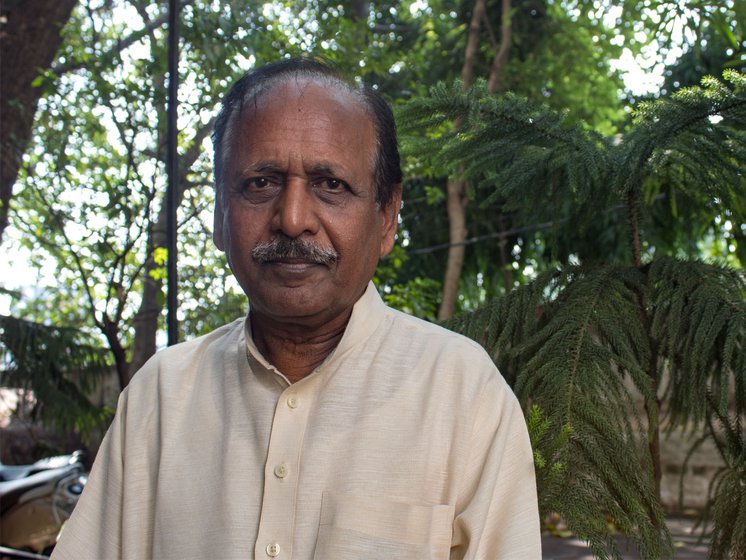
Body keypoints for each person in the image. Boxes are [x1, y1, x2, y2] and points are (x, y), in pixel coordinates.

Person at [52, 58, 541, 560]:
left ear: (388, 215)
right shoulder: (162, 395)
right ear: (221, 214)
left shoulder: (462, 393)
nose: (292, 219)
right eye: (260, 183)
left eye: (330, 184)